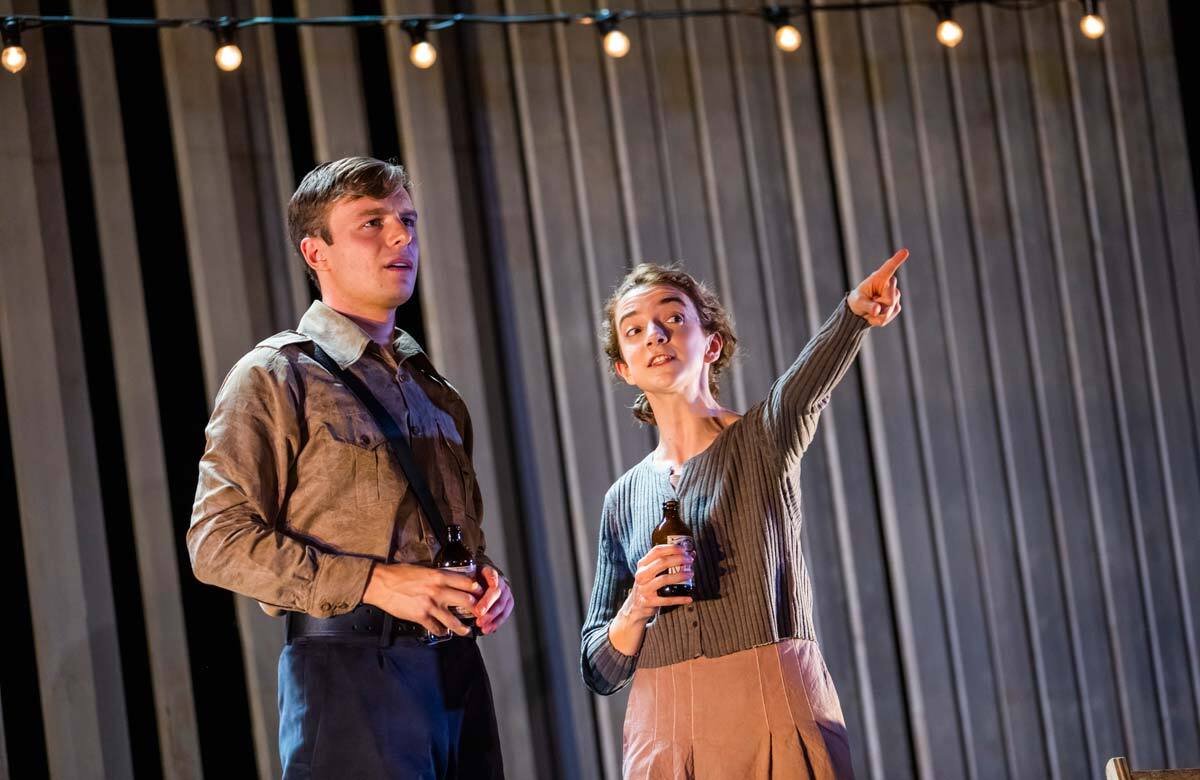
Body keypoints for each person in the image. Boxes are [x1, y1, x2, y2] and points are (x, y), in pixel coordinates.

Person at [189, 156, 513, 779]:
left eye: (407, 220)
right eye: (372, 223)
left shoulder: (434, 390)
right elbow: (216, 542)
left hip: (455, 671)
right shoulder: (277, 375)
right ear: (317, 252)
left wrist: (485, 580)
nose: (402, 237)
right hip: (349, 673)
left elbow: (430, 530)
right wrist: (374, 582)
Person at [580, 250, 908, 779]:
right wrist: (637, 606)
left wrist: (852, 314)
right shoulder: (622, 498)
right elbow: (599, 669)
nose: (656, 335)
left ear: (711, 344)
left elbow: (804, 389)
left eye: (673, 318)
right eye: (635, 330)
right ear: (623, 367)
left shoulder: (765, 437)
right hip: (660, 727)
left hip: (771, 701)